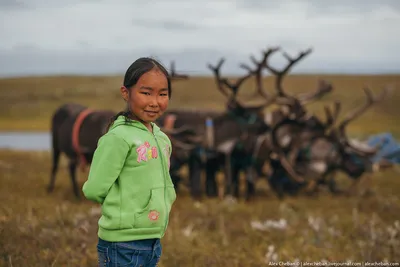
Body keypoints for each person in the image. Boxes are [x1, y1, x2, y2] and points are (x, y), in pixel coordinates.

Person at [82, 57, 176, 267]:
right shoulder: (119, 138)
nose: (155, 101)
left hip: (152, 238)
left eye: (162, 94)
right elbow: (95, 189)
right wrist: (126, 208)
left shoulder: (161, 138)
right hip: (121, 243)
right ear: (126, 93)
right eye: (146, 93)